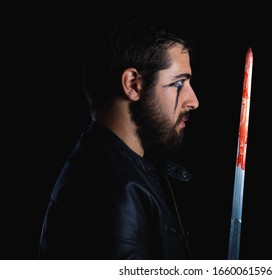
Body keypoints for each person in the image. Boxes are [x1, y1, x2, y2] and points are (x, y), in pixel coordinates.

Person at [38, 10, 199, 260]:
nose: (193, 101)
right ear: (133, 84)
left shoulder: (118, 167)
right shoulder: (113, 192)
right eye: (179, 83)